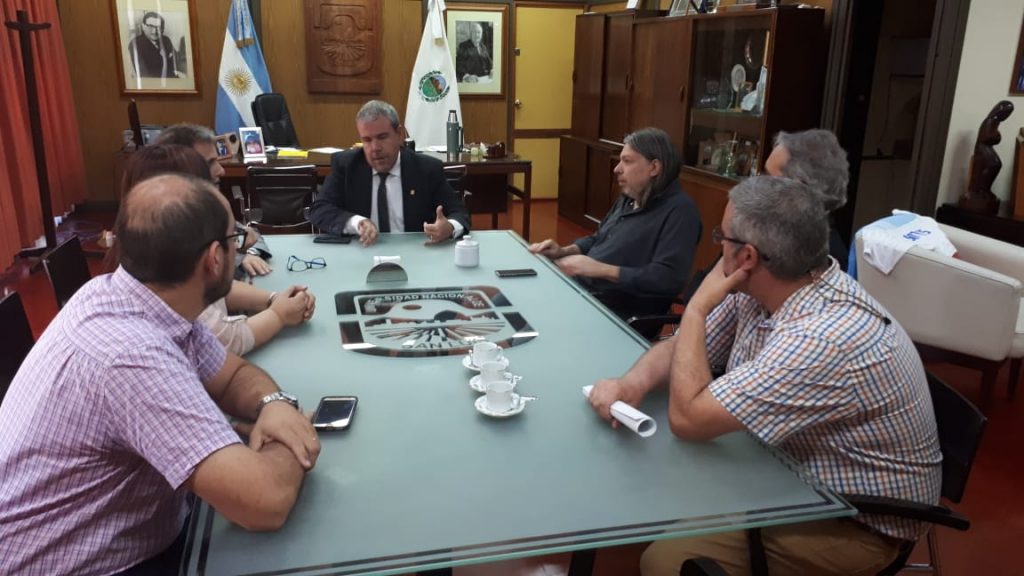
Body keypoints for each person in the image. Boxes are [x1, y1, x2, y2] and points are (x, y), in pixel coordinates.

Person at [587, 175, 942, 575]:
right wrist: (630, 384)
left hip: (856, 525)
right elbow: (683, 348)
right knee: (646, 488)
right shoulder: (773, 286)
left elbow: (688, 419)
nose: (716, 244)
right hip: (784, 473)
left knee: (666, 562)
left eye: (722, 236)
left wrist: (699, 307)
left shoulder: (821, 338)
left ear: (748, 257)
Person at [0, 174, 320, 576]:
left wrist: (272, 405)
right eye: (233, 238)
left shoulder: (124, 295)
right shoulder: (131, 359)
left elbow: (231, 375)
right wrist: (291, 437)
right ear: (214, 259)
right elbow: (265, 503)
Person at [103, 143, 316, 356]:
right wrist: (278, 315)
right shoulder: (170, 296)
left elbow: (215, 288)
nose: (220, 170)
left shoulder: (144, 257)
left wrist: (274, 299)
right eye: (208, 165)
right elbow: (226, 341)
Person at [528, 127, 701, 328]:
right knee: (514, 298)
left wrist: (601, 269)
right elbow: (599, 237)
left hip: (618, 311)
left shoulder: (681, 212)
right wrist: (563, 251)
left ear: (654, 167)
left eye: (627, 161)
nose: (617, 168)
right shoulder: (629, 197)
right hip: (584, 292)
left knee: (529, 318)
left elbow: (667, 279)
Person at [309, 100, 470, 247]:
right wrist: (357, 222)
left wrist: (449, 227)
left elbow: (460, 213)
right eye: (367, 140)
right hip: (362, 252)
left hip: (415, 254)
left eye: (382, 137)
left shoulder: (426, 168)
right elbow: (319, 210)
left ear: (399, 135)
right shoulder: (347, 165)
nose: (375, 148)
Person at [154, 123, 271, 277]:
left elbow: (249, 234)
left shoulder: (206, 205)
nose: (221, 171)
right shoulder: (162, 220)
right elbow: (201, 275)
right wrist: (238, 257)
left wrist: (249, 251)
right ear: (180, 167)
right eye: (209, 164)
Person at [764, 129, 851, 270]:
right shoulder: (768, 227)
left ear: (800, 190)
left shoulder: (824, 258)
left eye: (769, 179)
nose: (758, 185)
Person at [128, 11, 178, 78]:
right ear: (143, 26)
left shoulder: (166, 40)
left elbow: (176, 62)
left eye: (158, 27)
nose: (154, 31)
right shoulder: (135, 44)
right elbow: (144, 75)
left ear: (162, 28)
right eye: (150, 26)